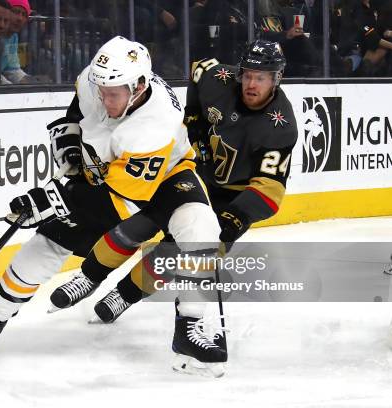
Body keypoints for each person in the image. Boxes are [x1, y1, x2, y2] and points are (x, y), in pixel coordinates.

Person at [0, 36, 224, 372]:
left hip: (165, 179)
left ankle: (189, 327)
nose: (103, 98)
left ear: (138, 87)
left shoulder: (154, 125)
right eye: (101, 90)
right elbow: (80, 106)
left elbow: (120, 201)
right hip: (110, 174)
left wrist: (52, 200)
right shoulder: (101, 79)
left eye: (113, 94)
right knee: (46, 244)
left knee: (201, 229)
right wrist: (68, 134)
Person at [49, 39, 298, 375]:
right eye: (248, 75)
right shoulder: (219, 78)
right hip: (192, 173)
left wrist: (235, 217)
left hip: (232, 197)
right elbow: (198, 70)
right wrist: (193, 119)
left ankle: (125, 294)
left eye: (262, 77)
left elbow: (269, 190)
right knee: (141, 222)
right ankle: (90, 275)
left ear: (277, 79)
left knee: (184, 251)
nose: (252, 84)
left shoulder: (280, 126)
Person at [0, 0, 31, 84]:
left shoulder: (13, 37)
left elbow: (12, 69)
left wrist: (32, 83)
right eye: (15, 12)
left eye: (24, 15)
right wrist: (11, 89)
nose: (20, 18)